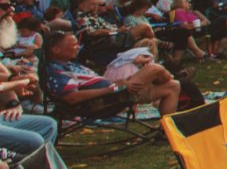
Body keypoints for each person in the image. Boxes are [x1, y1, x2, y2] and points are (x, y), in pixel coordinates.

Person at [45, 30, 180, 116]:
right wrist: (113, 88)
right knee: (154, 69)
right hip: (103, 101)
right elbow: (72, 98)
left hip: (116, 91)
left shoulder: (69, 64)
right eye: (73, 45)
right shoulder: (57, 70)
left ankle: (165, 133)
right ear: (56, 49)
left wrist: (117, 84)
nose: (77, 48)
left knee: (173, 86)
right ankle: (171, 76)